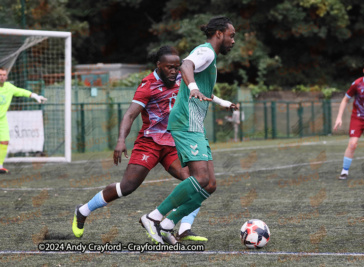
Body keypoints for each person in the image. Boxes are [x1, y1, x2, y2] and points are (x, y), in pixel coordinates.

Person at [72, 46, 206, 242]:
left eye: (177, 67)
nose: (174, 71)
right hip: (149, 143)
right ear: (158, 65)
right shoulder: (148, 85)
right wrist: (120, 140)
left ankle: (184, 228)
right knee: (127, 187)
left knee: (196, 182)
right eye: (169, 67)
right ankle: (83, 210)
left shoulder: (181, 79)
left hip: (172, 143)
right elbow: (130, 114)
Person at [140, 16, 237, 245]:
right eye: (231, 35)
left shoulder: (208, 57)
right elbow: (185, 65)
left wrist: (223, 103)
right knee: (200, 177)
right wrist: (192, 86)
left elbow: (200, 88)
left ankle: (167, 224)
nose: (233, 40)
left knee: (210, 184)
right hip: (186, 122)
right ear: (219, 34)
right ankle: (153, 218)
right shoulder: (207, 52)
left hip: (194, 124)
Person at [0, 67, 47, 174]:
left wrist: (34, 95)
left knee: (4, 141)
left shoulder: (9, 87)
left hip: (1, 120)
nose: (2, 77)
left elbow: (21, 91)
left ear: (6, 76)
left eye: (4, 75)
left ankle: (0, 166)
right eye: (0, 75)